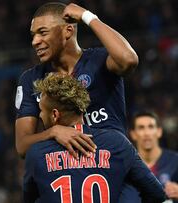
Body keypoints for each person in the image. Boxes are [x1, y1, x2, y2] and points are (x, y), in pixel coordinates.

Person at [15, 2, 139, 158]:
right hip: (65, 174)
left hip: (111, 165)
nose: (35, 41)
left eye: (42, 32)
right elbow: (22, 146)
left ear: (68, 31)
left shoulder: (99, 61)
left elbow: (129, 60)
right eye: (33, 35)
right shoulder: (30, 79)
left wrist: (88, 17)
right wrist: (54, 132)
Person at [23, 73, 166, 203]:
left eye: (41, 110)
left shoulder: (36, 153)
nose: (40, 115)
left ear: (55, 114)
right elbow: (157, 193)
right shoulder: (117, 142)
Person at [130, 111, 178, 202]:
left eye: (151, 127)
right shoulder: (128, 165)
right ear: (133, 134)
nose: (146, 133)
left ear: (159, 131)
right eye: (141, 128)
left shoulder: (175, 161)